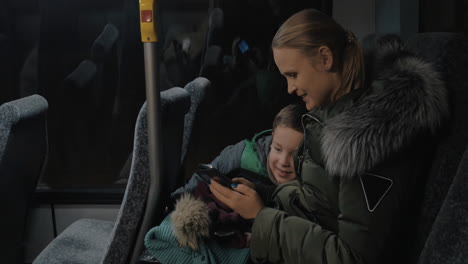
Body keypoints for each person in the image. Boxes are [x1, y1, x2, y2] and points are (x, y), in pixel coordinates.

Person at [209, 8, 449, 264]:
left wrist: (261, 217)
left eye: (293, 74)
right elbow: (321, 204)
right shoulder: (331, 116)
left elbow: (351, 257)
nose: (290, 88)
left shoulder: (364, 141)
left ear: (325, 58)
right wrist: (264, 196)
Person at [144, 103, 307, 263]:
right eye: (277, 149)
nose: (283, 161)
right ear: (271, 139)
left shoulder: (312, 180)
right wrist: (172, 204)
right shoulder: (240, 156)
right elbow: (197, 182)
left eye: (294, 154)